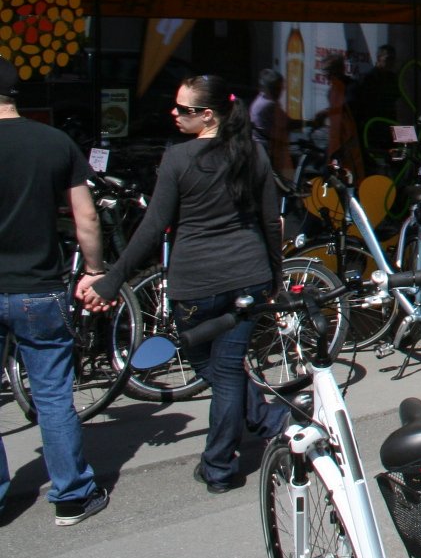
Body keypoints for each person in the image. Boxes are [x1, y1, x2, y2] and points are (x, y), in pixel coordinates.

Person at [81, 75, 288, 494]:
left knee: (212, 368)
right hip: (247, 274)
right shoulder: (252, 152)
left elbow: (153, 227)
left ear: (208, 115)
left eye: (184, 109)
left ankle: (220, 463)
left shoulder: (178, 158)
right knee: (226, 369)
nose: (174, 113)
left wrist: (111, 280)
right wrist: (274, 274)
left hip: (197, 282)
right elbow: (270, 221)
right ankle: (259, 425)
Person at [0, 58, 109, 526]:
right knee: (51, 395)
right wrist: (94, 270)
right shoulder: (53, 141)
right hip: (39, 287)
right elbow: (86, 216)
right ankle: (72, 495)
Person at [249, 67, 291, 177]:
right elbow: (288, 123)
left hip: (260, 147)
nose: (279, 92)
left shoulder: (261, 99)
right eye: (276, 88)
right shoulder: (269, 104)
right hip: (268, 149)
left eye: (280, 88)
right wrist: (311, 123)